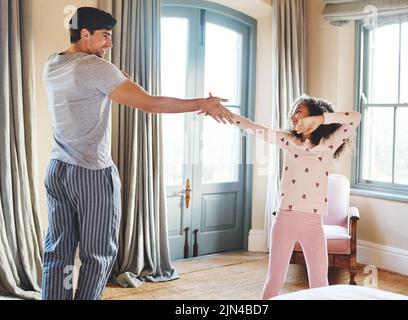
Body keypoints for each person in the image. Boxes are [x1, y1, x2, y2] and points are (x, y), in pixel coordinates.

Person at [42, 7, 234, 300]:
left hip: (57, 169)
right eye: (105, 36)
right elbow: (150, 103)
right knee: (99, 254)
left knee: (60, 251)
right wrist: (201, 103)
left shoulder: (52, 64)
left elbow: (101, 90)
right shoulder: (97, 68)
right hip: (91, 173)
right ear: (85, 34)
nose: (110, 43)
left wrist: (117, 76)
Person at [221, 94, 361, 299]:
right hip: (285, 220)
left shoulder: (329, 144)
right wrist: (227, 114)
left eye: (298, 112)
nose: (292, 117)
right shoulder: (288, 141)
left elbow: (355, 117)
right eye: (291, 113)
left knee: (320, 282)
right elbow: (253, 128)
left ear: (313, 115)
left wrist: (322, 119)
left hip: (313, 225)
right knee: (275, 279)